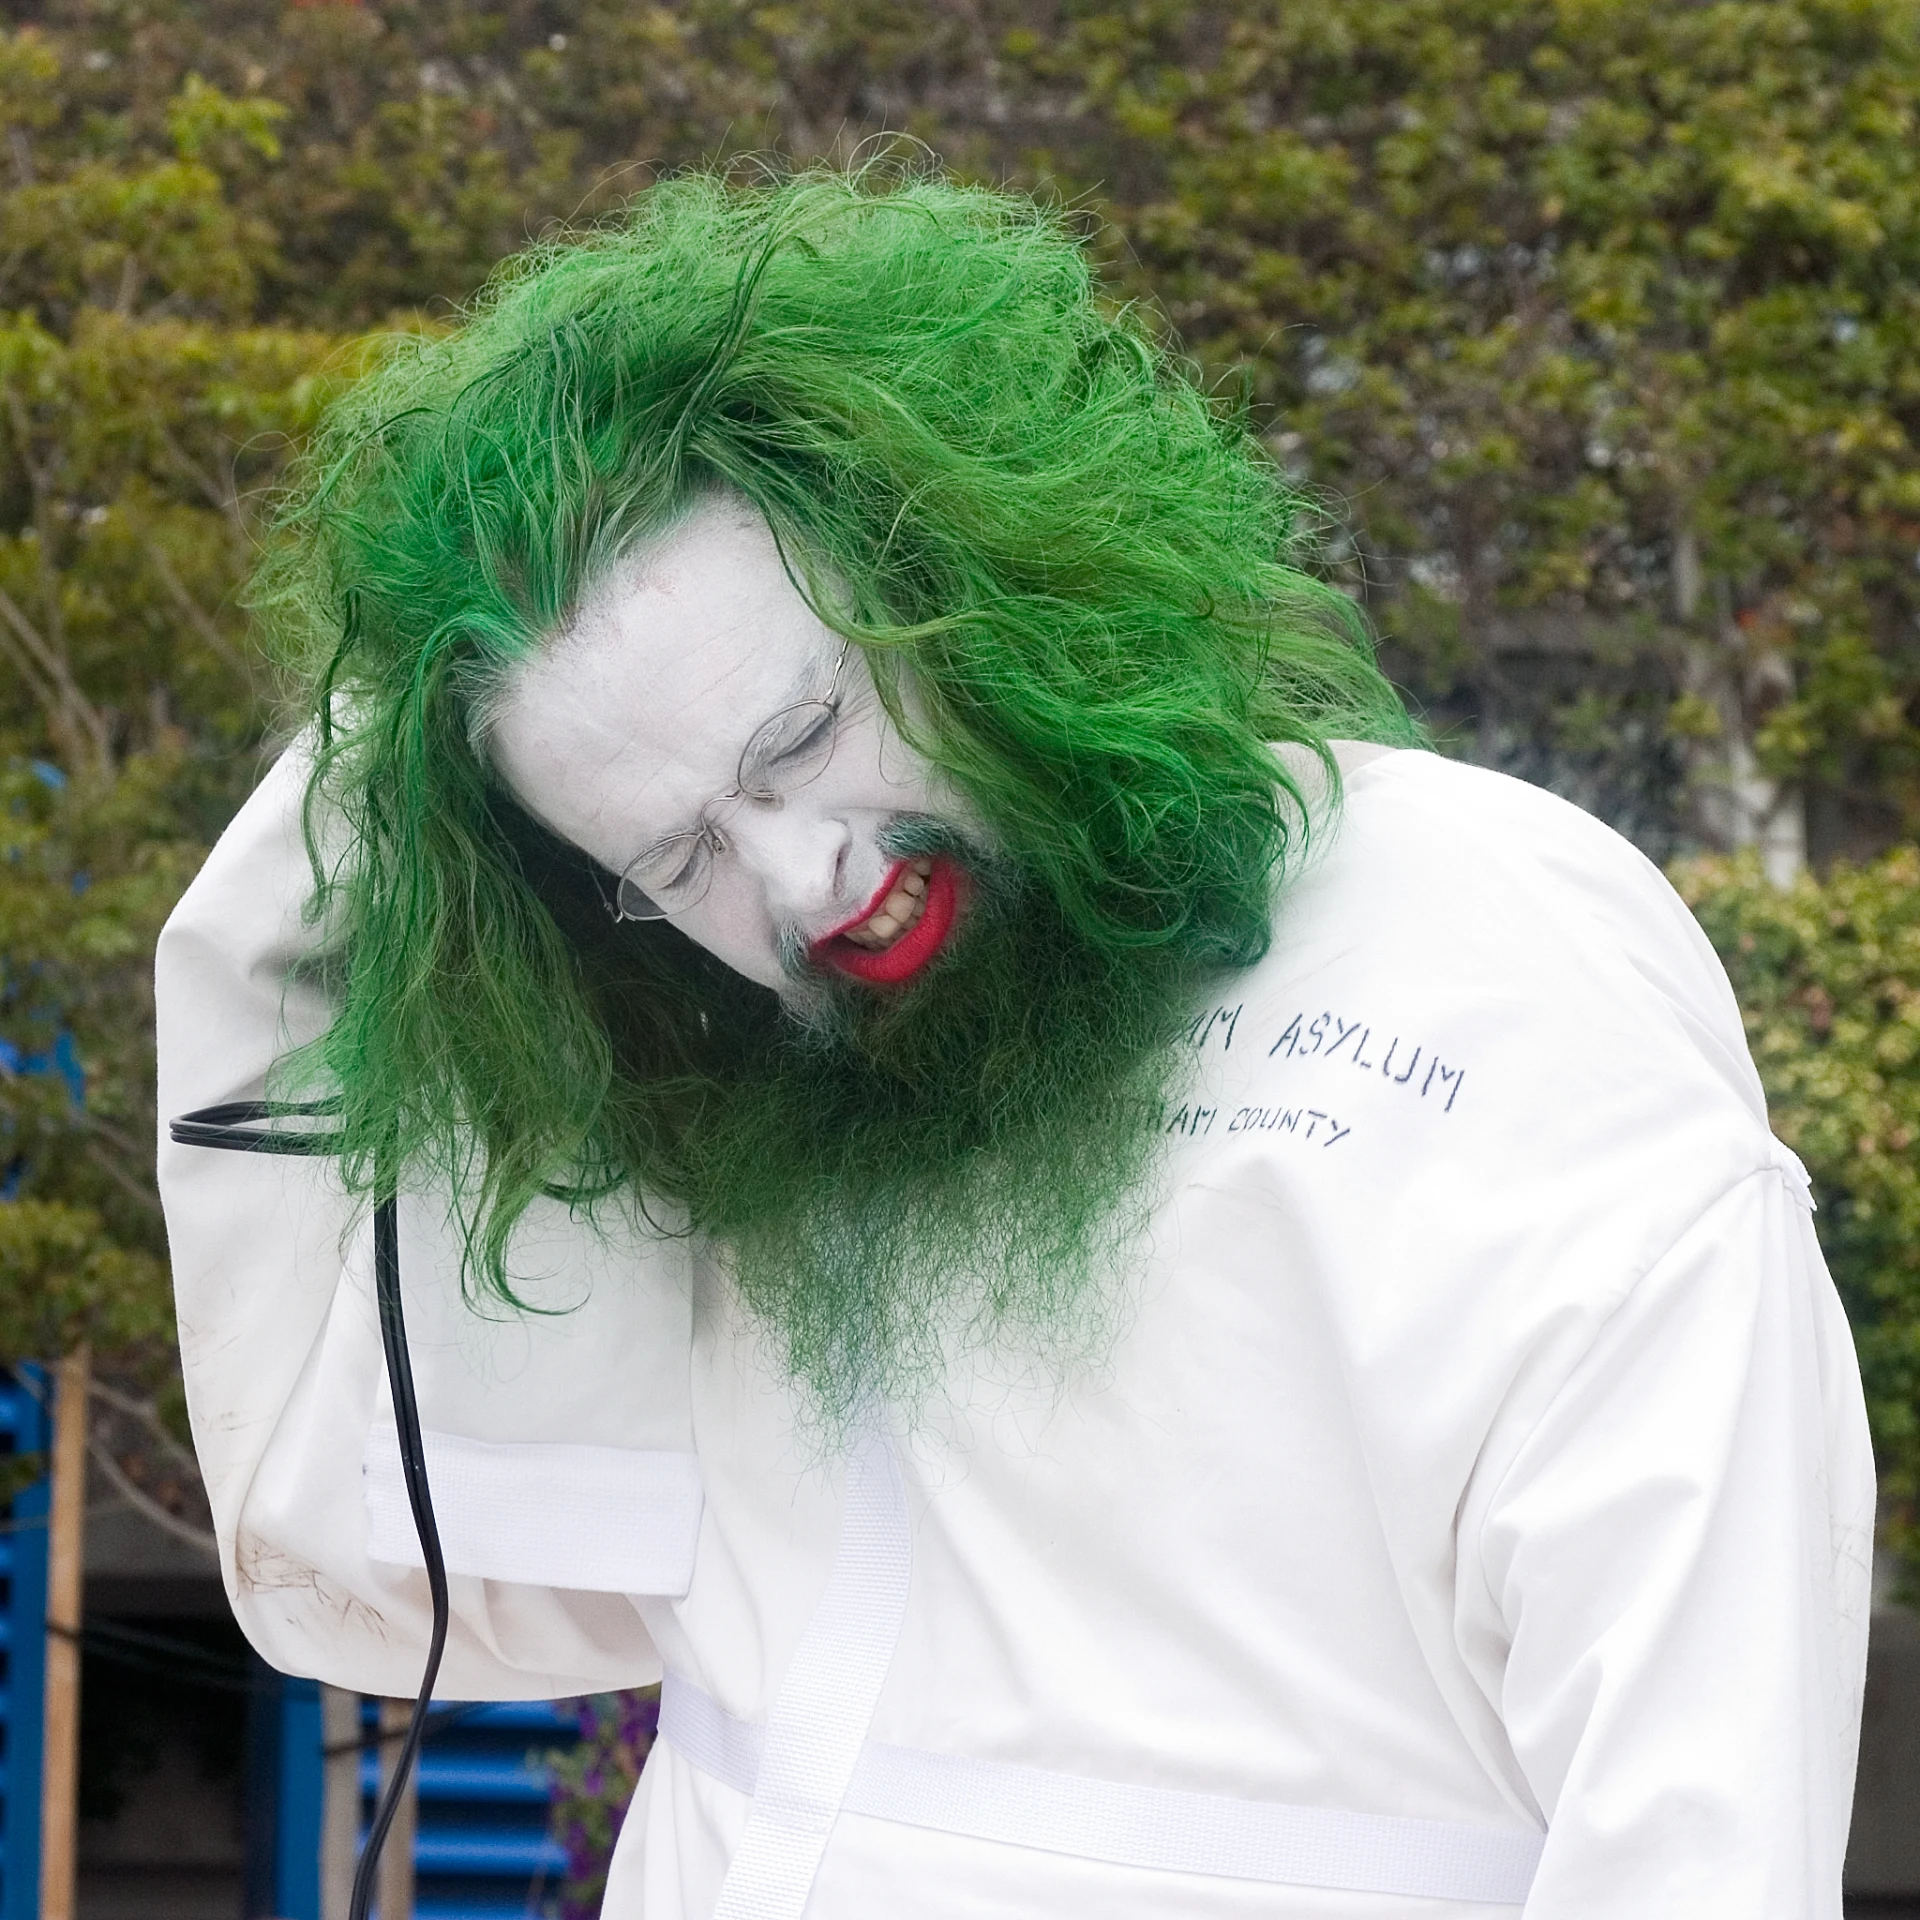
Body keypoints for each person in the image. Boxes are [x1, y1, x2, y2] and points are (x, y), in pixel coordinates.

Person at [156, 170, 1874, 1920]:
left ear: (968, 565)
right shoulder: (758, 1102)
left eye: (802, 734)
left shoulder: (1469, 930)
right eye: (675, 857)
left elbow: (1698, 1820)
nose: (800, 877)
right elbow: (391, 1573)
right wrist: (415, 699)